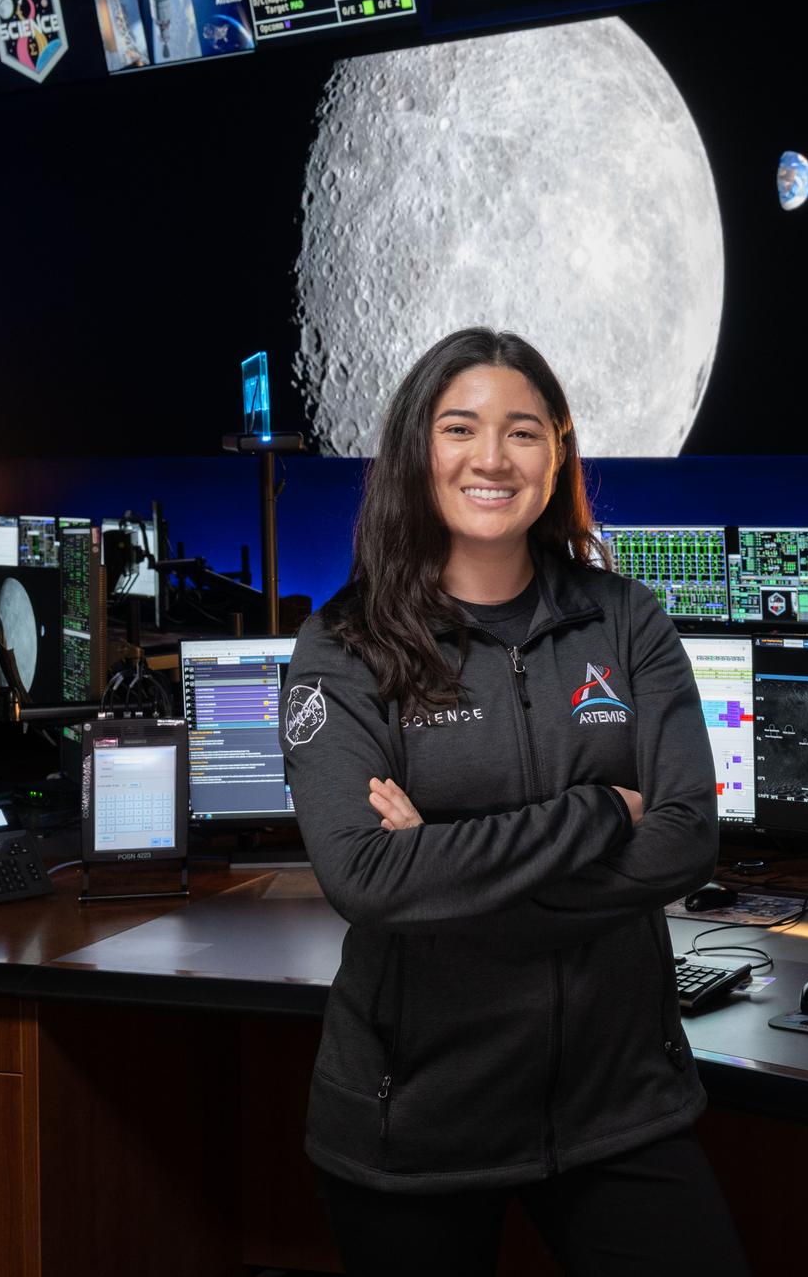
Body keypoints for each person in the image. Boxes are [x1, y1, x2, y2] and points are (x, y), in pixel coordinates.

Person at [283, 327, 750, 1276]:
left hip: (617, 1104)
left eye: (523, 432)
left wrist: (446, 872)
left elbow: (688, 838)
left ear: (561, 448)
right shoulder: (344, 646)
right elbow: (368, 875)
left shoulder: (626, 620)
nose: (492, 458)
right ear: (421, 448)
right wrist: (598, 811)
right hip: (417, 1117)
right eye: (461, 427)